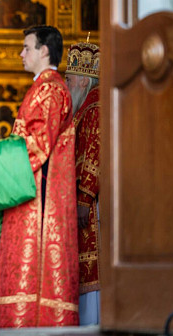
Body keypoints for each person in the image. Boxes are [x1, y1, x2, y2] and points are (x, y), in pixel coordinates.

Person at [0, 26, 78, 327]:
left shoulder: (50, 88)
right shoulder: (43, 87)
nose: (21, 53)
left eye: (26, 47)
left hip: (40, 197)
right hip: (29, 189)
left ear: (44, 50)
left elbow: (38, 146)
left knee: (33, 267)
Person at [65, 41, 101, 325]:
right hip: (84, 201)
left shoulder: (95, 106)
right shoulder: (84, 108)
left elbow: (94, 155)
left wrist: (83, 199)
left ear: (83, 81)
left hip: (91, 205)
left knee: (94, 269)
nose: (66, 86)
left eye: (69, 80)